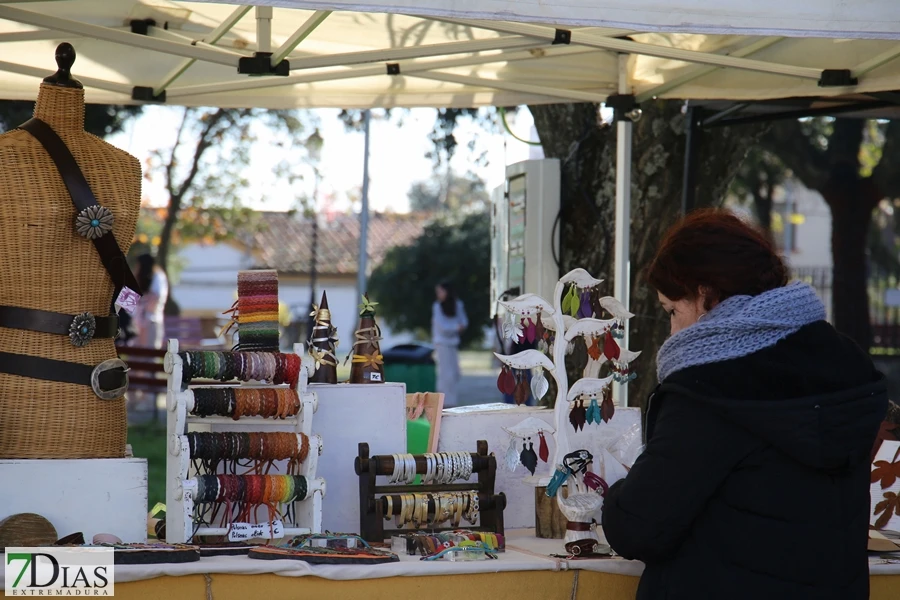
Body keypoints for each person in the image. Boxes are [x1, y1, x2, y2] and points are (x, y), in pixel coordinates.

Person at [601, 209, 887, 600]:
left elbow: (637, 528)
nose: (671, 332)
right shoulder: (844, 365)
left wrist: (617, 493)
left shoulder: (708, 389)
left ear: (705, 294)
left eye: (672, 311)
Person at [432, 280, 468, 407]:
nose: (439, 294)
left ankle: (452, 401)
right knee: (445, 374)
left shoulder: (457, 305)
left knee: (455, 373)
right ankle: (444, 402)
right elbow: (442, 327)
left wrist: (456, 327)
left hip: (453, 344)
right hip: (442, 344)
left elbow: (463, 322)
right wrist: (455, 328)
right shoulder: (437, 306)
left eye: (440, 291)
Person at [134, 253, 168, 349]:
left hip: (151, 322)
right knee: (135, 358)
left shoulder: (158, 276)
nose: (136, 268)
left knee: (149, 356)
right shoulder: (135, 279)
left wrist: (142, 309)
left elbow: (155, 301)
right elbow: (125, 303)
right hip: (135, 325)